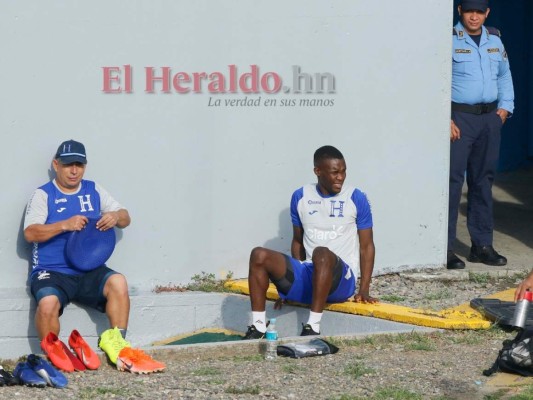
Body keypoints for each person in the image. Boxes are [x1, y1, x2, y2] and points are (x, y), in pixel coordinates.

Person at [24, 139, 164, 374]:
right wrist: (64, 225)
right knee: (47, 304)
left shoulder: (93, 189)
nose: (74, 170)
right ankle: (52, 353)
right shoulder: (43, 195)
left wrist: (115, 217)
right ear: (56, 165)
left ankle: (118, 345)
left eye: (79, 164)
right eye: (68, 165)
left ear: (85, 166)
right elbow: (30, 233)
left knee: (118, 281)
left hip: (89, 269)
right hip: (53, 271)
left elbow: (125, 217)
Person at [243, 145, 377, 339]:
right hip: (310, 274)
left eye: (343, 171)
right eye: (335, 172)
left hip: (341, 280)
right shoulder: (301, 196)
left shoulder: (356, 197)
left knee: (321, 253)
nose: (341, 177)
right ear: (318, 171)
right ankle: (258, 327)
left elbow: (367, 246)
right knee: (259, 254)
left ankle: (312, 326)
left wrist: (364, 289)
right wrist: (286, 290)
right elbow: (297, 241)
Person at [447, 0, 515, 270]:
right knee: (452, 184)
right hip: (459, 120)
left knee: (483, 182)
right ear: (460, 11)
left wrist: (505, 109)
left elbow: (505, 75)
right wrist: (445, 119)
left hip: (489, 119)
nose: (473, 17)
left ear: (487, 13)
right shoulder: (449, 39)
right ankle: (447, 248)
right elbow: (436, 79)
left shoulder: (495, 40)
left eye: (479, 12)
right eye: (468, 11)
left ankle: (482, 245)